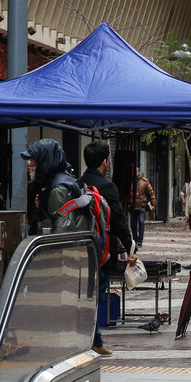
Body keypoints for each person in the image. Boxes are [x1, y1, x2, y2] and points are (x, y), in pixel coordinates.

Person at [79, 141, 138, 357]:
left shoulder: (79, 182)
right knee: (97, 295)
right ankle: (94, 339)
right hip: (102, 250)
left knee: (85, 294)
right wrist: (130, 244)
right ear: (105, 162)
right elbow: (119, 219)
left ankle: (89, 338)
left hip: (82, 247)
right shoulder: (107, 186)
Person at [130, 168, 155, 247]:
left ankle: (140, 240)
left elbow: (151, 193)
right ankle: (135, 239)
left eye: (136, 171)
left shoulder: (144, 182)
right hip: (132, 206)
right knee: (133, 224)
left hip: (142, 206)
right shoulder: (130, 182)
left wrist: (153, 203)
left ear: (139, 172)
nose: (135, 173)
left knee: (141, 222)